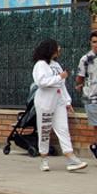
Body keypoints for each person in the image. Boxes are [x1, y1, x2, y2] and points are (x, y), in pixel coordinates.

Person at [32, 39, 88, 172]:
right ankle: (44, 159)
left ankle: (71, 158)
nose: (59, 49)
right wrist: (59, 77)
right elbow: (41, 82)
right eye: (57, 47)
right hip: (45, 100)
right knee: (44, 130)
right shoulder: (40, 65)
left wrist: (67, 102)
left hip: (58, 100)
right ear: (51, 49)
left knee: (63, 128)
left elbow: (62, 86)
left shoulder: (56, 65)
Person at [75, 31, 97, 161]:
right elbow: (80, 77)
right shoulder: (85, 59)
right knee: (96, 125)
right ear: (90, 43)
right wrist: (79, 85)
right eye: (94, 42)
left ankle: (95, 146)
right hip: (91, 97)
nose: (96, 44)